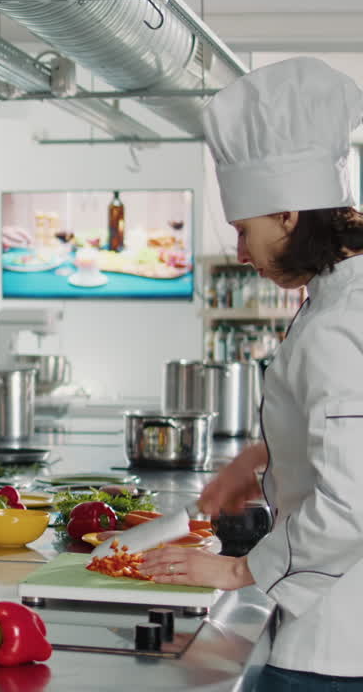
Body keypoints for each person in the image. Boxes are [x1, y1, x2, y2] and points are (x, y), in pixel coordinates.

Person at [139, 57, 363, 689]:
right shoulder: (342, 297)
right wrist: (261, 457)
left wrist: (240, 573)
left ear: (289, 213)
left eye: (245, 230)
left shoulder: (341, 323)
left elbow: (353, 503)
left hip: (335, 643)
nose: (241, 254)